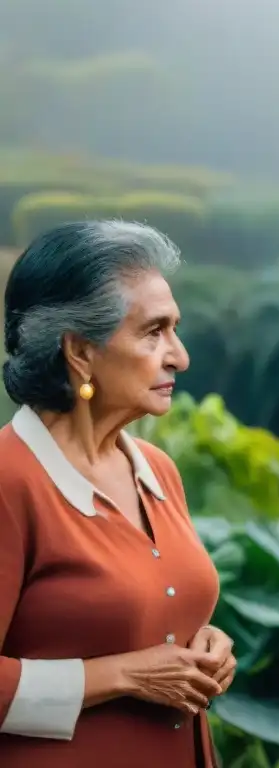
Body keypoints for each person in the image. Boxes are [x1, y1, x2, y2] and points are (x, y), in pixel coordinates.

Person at [0, 221, 237, 767]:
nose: (178, 356)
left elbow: (147, 614)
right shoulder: (12, 482)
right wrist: (121, 675)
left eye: (174, 330)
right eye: (153, 332)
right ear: (80, 351)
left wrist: (208, 647)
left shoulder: (156, 469)